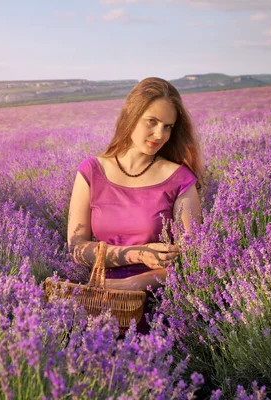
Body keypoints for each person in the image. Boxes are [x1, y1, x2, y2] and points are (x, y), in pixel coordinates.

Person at [67, 77, 204, 333]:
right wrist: (138, 254)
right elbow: (77, 248)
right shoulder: (91, 172)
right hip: (103, 303)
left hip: (160, 309)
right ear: (131, 115)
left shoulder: (180, 179)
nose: (159, 135)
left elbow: (192, 258)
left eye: (168, 127)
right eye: (151, 122)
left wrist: (137, 283)